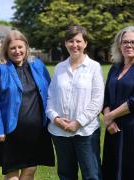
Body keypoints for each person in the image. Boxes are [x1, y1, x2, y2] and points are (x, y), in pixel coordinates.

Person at [0, 29, 55, 180]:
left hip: (35, 130)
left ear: (26, 47)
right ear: (6, 49)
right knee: (12, 173)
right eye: (13, 48)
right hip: (8, 130)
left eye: (20, 47)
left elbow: (49, 91)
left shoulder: (37, 65)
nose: (17, 51)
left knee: (30, 170)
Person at [46, 25, 104, 180]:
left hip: (86, 132)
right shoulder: (59, 68)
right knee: (66, 175)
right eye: (70, 41)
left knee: (92, 175)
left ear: (85, 43)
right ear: (65, 44)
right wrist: (56, 119)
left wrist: (78, 123)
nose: (74, 45)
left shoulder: (94, 67)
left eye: (78, 41)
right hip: (60, 132)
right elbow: (50, 97)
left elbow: (97, 101)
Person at [102, 26, 134, 180]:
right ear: (119, 46)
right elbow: (106, 96)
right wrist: (109, 121)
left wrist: (110, 116)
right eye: (125, 42)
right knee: (112, 168)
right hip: (113, 130)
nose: (129, 45)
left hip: (131, 129)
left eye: (133, 42)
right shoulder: (115, 68)